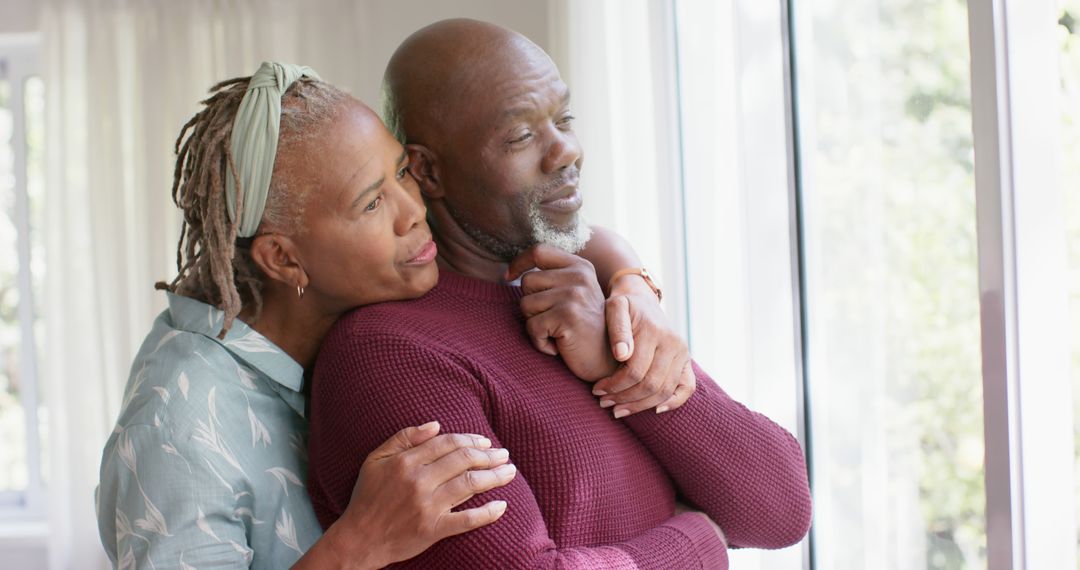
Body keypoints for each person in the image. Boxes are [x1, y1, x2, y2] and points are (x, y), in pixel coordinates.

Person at [97, 62, 688, 569]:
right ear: (283, 258)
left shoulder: (347, 292)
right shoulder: (174, 427)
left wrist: (633, 285)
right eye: (372, 201)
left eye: (402, 171)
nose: (414, 211)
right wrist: (357, 544)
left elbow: (529, 232)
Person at [306, 19, 813, 569]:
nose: (566, 151)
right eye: (522, 136)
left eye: (563, 119)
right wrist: (702, 538)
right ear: (428, 170)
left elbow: (780, 510)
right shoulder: (389, 356)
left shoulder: (581, 294)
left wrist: (618, 361)